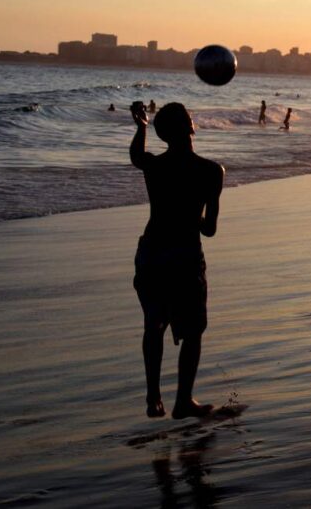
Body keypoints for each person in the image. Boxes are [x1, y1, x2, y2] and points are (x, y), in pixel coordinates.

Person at [130, 102, 224, 420]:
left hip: (153, 252)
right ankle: (183, 400)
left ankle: (154, 398)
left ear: (163, 135)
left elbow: (136, 157)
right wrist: (190, 214)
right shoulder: (211, 172)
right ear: (192, 127)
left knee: (153, 324)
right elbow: (209, 230)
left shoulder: (155, 167)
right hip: (184, 256)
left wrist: (141, 125)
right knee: (193, 330)